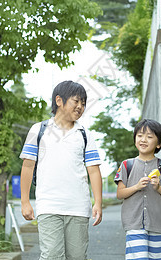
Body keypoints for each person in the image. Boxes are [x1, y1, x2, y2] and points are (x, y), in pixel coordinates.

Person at [20, 80, 103, 260]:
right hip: (49, 205)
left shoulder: (84, 134)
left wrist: (98, 202)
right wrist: (25, 201)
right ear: (59, 101)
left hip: (79, 208)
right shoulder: (38, 130)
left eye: (83, 103)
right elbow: (27, 166)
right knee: (51, 256)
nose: (80, 106)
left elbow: (94, 170)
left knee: (77, 256)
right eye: (76, 101)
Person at [114, 119, 161, 260]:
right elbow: (120, 193)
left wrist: (158, 188)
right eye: (140, 135)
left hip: (159, 225)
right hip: (134, 225)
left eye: (149, 137)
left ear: (159, 143)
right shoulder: (127, 165)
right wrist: (137, 187)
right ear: (135, 139)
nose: (143, 140)